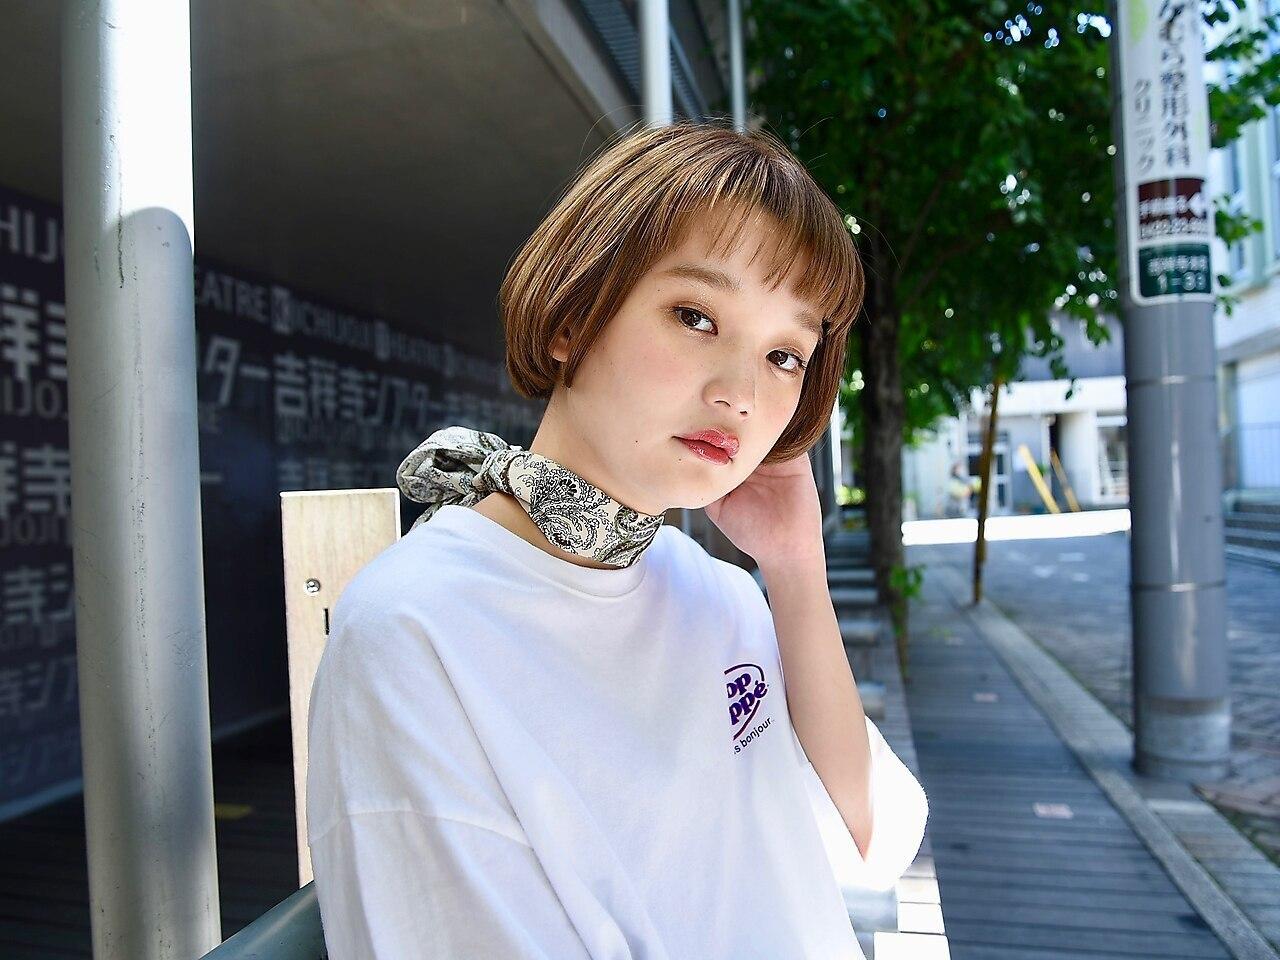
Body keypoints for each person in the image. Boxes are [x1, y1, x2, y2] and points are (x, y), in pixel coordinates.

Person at [305, 119, 929, 959]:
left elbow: (870, 841)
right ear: (573, 317)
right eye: (696, 316)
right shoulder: (413, 630)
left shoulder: (717, 591)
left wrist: (795, 570)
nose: (742, 393)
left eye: (786, 355)